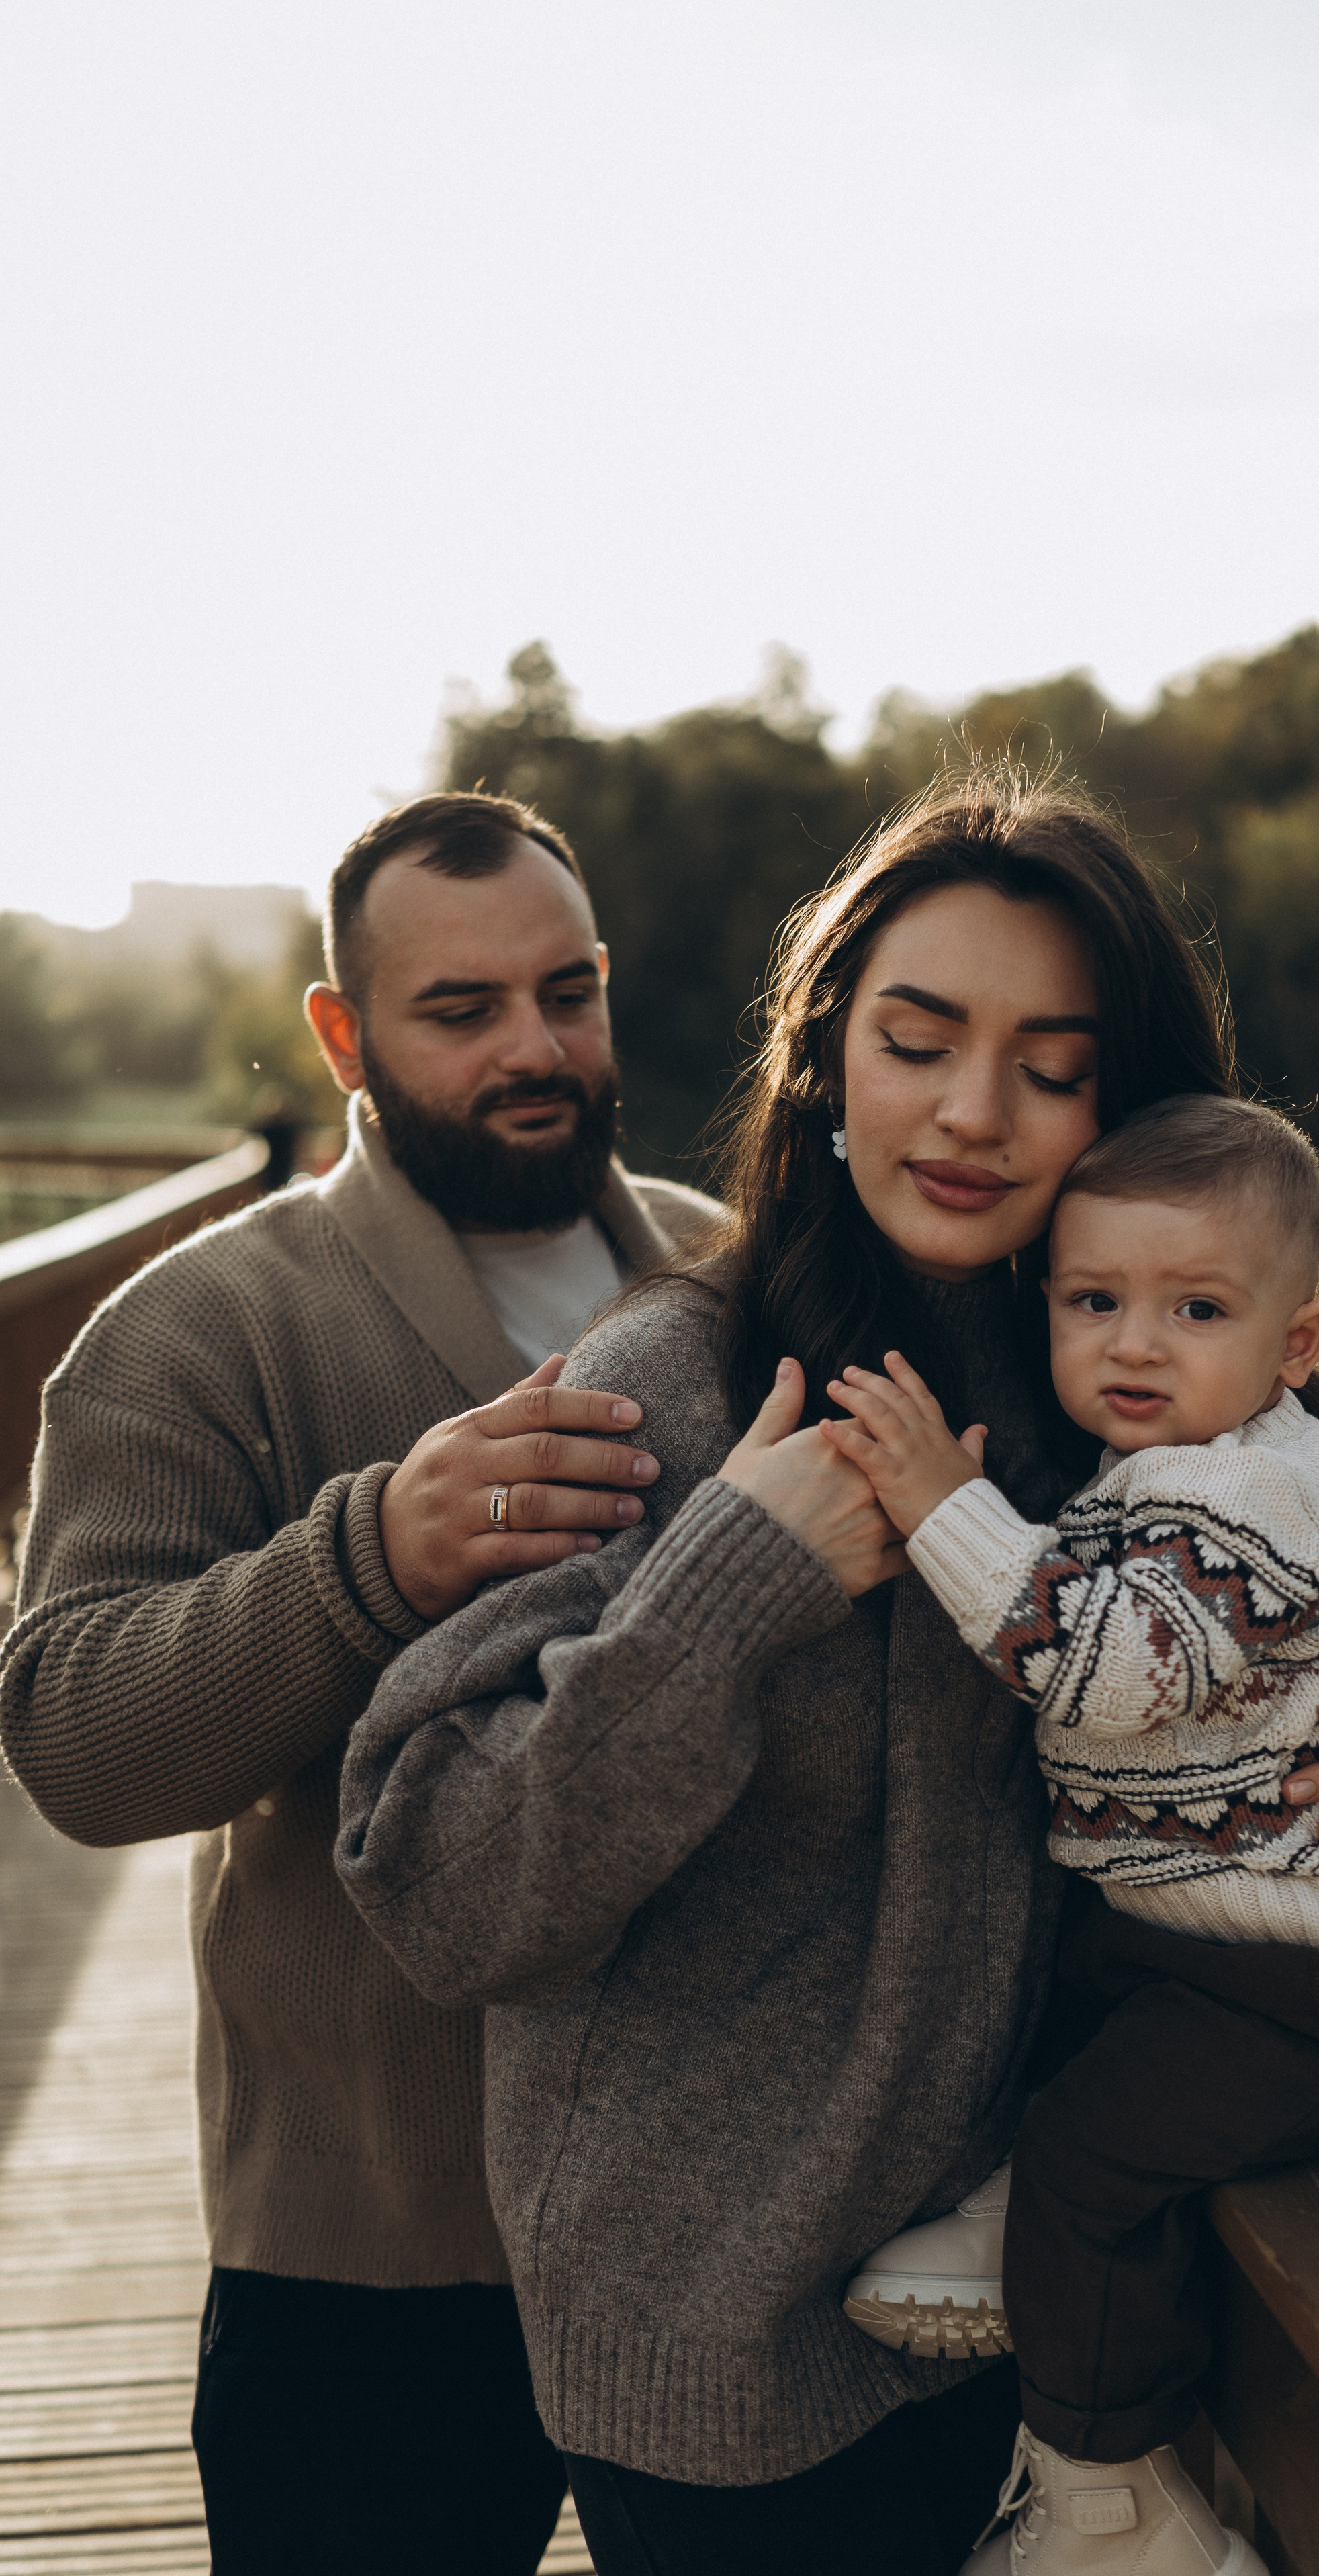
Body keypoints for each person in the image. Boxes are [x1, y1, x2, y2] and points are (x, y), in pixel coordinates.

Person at [336, 765, 1319, 2576]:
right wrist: (726, 1586)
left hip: (1039, 2316)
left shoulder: (1145, 1404)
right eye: (919, 1039)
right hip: (724, 2361)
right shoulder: (674, 1387)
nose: (974, 1113)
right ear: (823, 1058)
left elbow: (1281, 1634)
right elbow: (444, 1881)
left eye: (1055, 1064)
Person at [0, 792, 717, 2576]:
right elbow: (74, 1734)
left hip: (726, 2238)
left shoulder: (736, 1268)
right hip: (372, 2254)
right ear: (343, 1034)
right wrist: (369, 1558)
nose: (536, 1048)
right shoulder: (198, 1326)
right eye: (459, 1011)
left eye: (570, 991)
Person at [830, 1094, 1319, 2574]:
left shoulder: (1243, 1490)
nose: (1132, 1344)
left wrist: (944, 1503)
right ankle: (1022, 2226)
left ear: (1295, 1344)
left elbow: (1103, 1667)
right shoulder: (1187, 1460)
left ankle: (1113, 2502)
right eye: (1092, 1301)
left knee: (1089, 2154)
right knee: (1071, 2038)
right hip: (1217, 1953)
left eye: (1193, 1307)